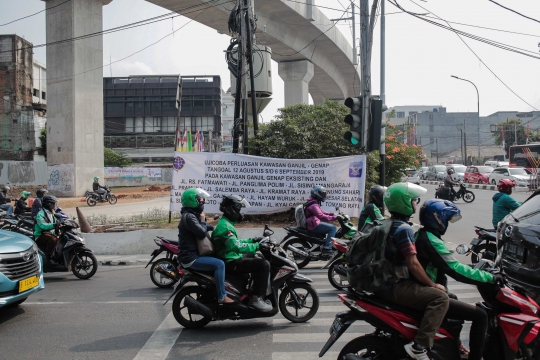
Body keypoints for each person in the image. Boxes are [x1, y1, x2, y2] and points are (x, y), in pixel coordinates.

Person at [417, 199, 500, 360]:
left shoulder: (424, 235)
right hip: (428, 293)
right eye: (447, 219)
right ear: (438, 218)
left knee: (454, 301)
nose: (447, 223)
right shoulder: (431, 241)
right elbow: (455, 269)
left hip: (428, 288)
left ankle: (454, 347)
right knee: (481, 315)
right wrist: (489, 278)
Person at [376, 182, 449, 360]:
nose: (416, 204)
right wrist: (432, 284)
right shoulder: (404, 229)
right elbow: (413, 264)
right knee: (440, 298)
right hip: (392, 285)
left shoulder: (387, 223)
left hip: (379, 280)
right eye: (414, 200)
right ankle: (419, 346)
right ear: (405, 202)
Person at [211, 194, 272, 312]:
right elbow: (235, 246)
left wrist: (253, 240)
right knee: (264, 264)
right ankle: (255, 299)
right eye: (238, 209)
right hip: (230, 261)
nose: (240, 213)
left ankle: (252, 291)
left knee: (256, 257)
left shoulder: (226, 223)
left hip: (230, 256)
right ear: (231, 209)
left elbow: (236, 242)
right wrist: (257, 246)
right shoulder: (225, 227)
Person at [177, 188, 234, 305]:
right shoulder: (190, 217)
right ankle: (222, 296)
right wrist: (203, 220)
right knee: (219, 265)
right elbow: (201, 232)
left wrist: (214, 227)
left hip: (191, 255)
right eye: (200, 200)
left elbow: (201, 228)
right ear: (192, 201)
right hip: (191, 258)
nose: (202, 202)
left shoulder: (190, 215)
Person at [305, 185, 337, 256]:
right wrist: (334, 218)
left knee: (329, 227)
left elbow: (321, 211)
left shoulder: (314, 202)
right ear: (316, 194)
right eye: (322, 194)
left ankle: (324, 244)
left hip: (313, 222)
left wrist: (332, 214)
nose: (323, 195)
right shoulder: (313, 205)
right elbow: (321, 216)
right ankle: (327, 248)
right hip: (313, 225)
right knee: (333, 228)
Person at [34, 195, 60, 262]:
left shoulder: (51, 212)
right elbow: (43, 225)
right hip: (41, 235)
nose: (54, 205)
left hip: (50, 233)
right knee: (53, 240)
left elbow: (56, 221)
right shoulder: (40, 214)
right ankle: (49, 258)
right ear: (48, 204)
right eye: (53, 204)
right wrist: (54, 225)